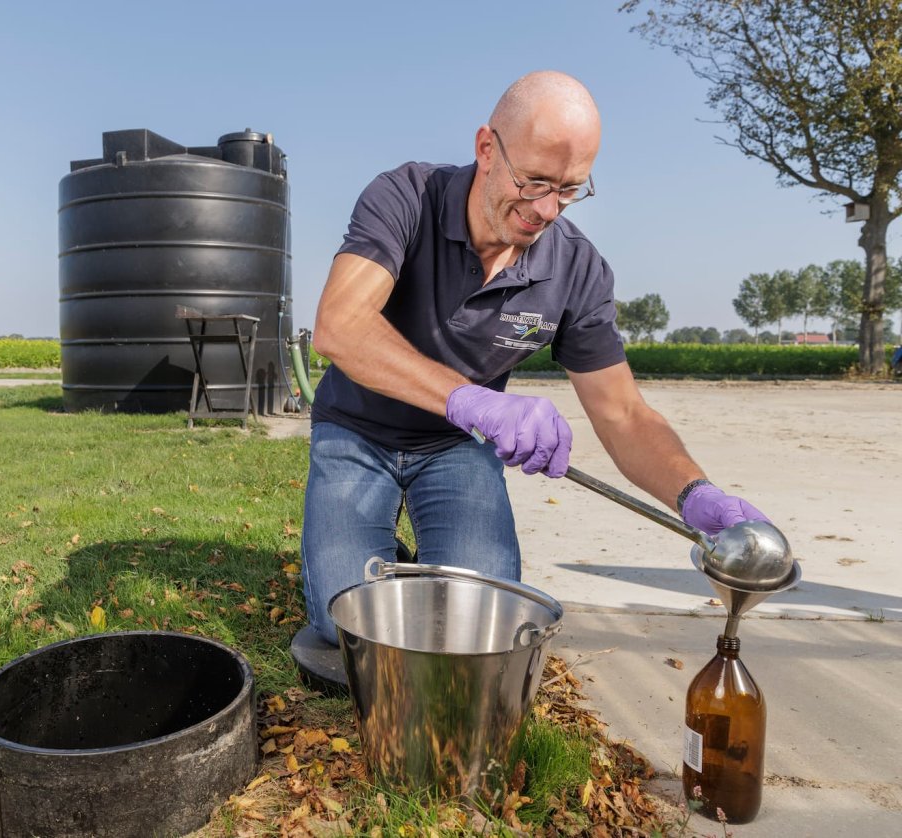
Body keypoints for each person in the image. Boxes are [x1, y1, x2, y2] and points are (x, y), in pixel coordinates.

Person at [301, 70, 770, 646]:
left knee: (480, 622)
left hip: (456, 447)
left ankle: (418, 571)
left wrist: (694, 491)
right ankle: (389, 561)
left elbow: (623, 413)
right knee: (342, 622)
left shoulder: (577, 268)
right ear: (486, 149)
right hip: (356, 432)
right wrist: (471, 399)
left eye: (570, 189)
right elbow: (339, 326)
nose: (548, 209)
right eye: (535, 181)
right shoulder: (405, 197)